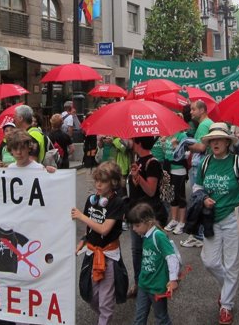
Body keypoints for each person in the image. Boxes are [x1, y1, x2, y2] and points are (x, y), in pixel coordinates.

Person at [196, 123, 239, 325]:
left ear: (227, 142)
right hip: (211, 219)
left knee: (232, 264)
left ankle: (226, 306)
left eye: (219, 139)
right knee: (209, 261)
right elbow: (197, 187)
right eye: (212, 140)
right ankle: (227, 290)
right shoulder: (204, 163)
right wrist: (203, 198)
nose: (215, 143)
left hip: (233, 219)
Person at [71, 161, 126, 325]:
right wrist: (83, 240)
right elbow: (91, 228)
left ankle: (105, 317)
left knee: (106, 302)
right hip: (92, 253)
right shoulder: (92, 200)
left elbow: (103, 229)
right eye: (97, 180)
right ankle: (104, 316)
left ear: (114, 182)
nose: (99, 184)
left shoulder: (117, 203)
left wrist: (81, 216)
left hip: (109, 256)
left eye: (103, 181)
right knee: (91, 296)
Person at [126, 136, 166, 298]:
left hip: (147, 215)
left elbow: (150, 190)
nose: (130, 142)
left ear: (139, 143)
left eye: (133, 140)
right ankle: (138, 283)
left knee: (149, 250)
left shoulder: (153, 163)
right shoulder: (139, 160)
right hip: (135, 213)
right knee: (136, 251)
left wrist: (139, 176)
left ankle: (154, 283)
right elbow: (137, 189)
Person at [126, 203, 179, 325]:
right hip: (144, 284)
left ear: (148, 222)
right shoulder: (145, 235)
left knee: (161, 319)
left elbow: (171, 257)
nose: (134, 229)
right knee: (139, 318)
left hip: (157, 287)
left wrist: (173, 280)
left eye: (137, 225)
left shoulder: (158, 236)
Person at [181, 100, 213, 248]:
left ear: (202, 110)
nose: (191, 112)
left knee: (197, 200)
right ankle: (199, 233)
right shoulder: (207, 123)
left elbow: (200, 147)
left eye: (193, 109)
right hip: (202, 165)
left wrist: (183, 144)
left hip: (198, 165)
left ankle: (198, 235)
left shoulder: (204, 125)